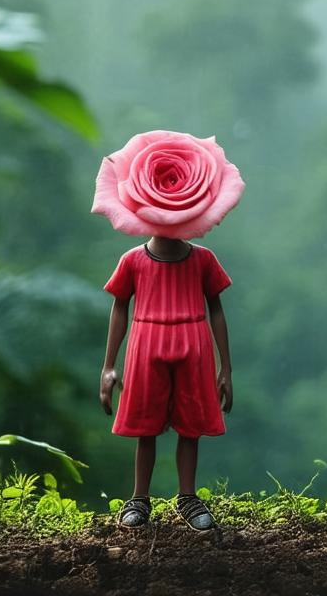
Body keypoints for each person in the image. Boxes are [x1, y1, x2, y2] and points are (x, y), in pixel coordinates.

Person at [91, 129, 245, 532]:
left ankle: (188, 497)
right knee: (145, 425)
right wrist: (108, 366)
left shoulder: (204, 261)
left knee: (190, 425)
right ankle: (139, 498)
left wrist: (225, 368)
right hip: (146, 343)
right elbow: (119, 307)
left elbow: (216, 310)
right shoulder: (133, 261)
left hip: (194, 343)